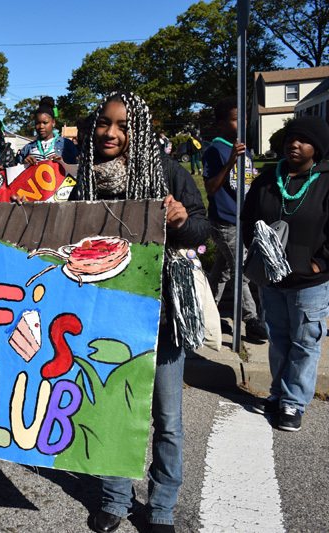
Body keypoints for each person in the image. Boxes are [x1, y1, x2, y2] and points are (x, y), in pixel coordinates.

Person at [70, 91, 209, 533]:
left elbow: (205, 232)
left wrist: (183, 220)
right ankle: (114, 499)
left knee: (167, 420)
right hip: (109, 315)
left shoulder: (169, 173)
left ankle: (162, 506)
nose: (111, 133)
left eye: (123, 126)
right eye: (105, 123)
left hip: (163, 315)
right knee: (113, 409)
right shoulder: (86, 181)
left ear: (140, 132)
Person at [243, 116, 329, 432]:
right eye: (290, 138)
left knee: (305, 341)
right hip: (271, 279)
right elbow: (247, 219)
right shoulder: (268, 179)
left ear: (316, 148)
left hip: (310, 282)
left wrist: (319, 264)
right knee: (278, 339)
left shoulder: (325, 180)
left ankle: (293, 403)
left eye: (303, 140)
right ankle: (277, 394)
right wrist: (258, 256)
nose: (294, 144)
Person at [202, 97, 267, 341]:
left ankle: (205, 312)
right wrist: (230, 162)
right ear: (221, 123)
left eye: (245, 117)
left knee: (222, 272)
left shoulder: (245, 149)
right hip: (224, 221)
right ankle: (251, 319)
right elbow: (210, 188)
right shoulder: (215, 151)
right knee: (241, 269)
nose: (243, 122)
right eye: (235, 118)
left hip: (243, 220)